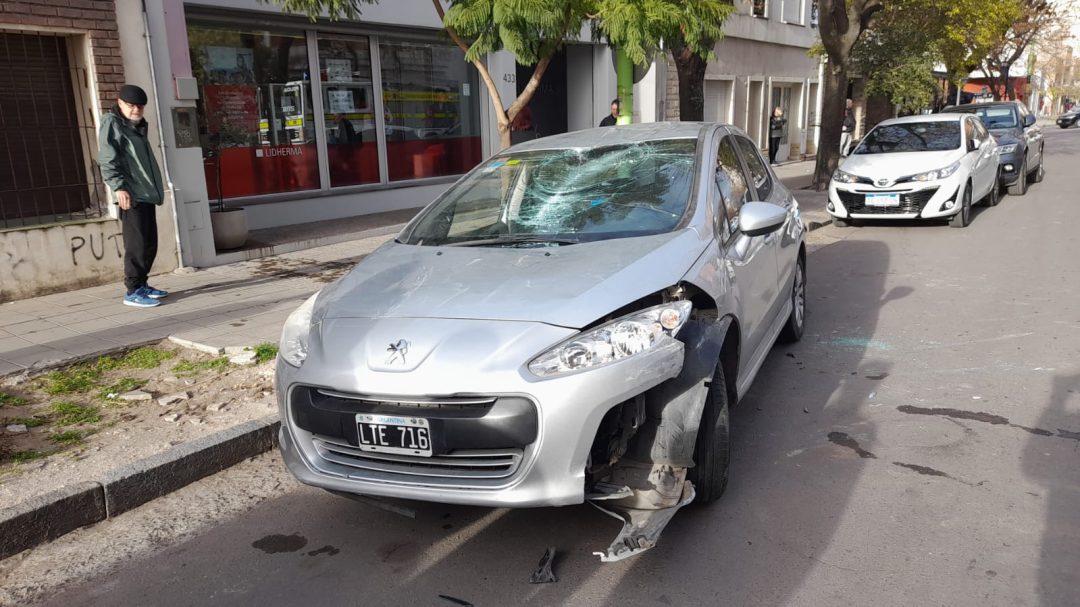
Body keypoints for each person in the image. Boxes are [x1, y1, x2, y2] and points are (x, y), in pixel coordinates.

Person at [98, 84, 166, 308]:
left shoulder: (135, 126)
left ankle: (143, 284)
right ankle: (133, 290)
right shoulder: (113, 123)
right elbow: (108, 159)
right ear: (119, 103)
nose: (136, 109)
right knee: (137, 245)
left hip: (146, 193)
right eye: (131, 105)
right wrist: (119, 187)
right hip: (132, 194)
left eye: (140, 106)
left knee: (149, 244)